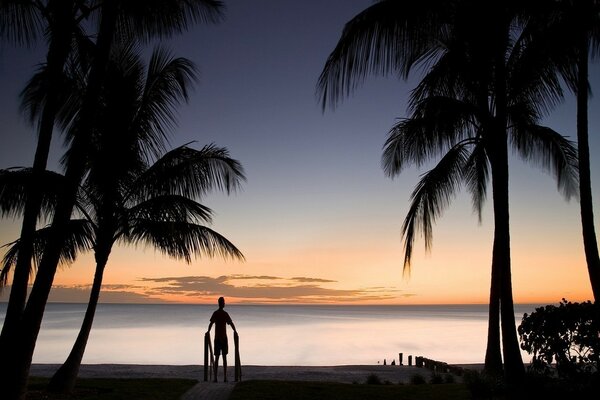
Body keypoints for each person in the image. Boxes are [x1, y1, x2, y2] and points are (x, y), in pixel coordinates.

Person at [207, 297, 236, 382]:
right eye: (223, 302)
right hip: (221, 338)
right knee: (221, 358)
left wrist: (235, 330)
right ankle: (221, 377)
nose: (224, 303)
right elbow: (230, 323)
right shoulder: (222, 313)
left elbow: (211, 324)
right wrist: (208, 331)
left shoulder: (218, 313)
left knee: (219, 358)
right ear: (221, 303)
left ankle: (220, 377)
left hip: (219, 338)